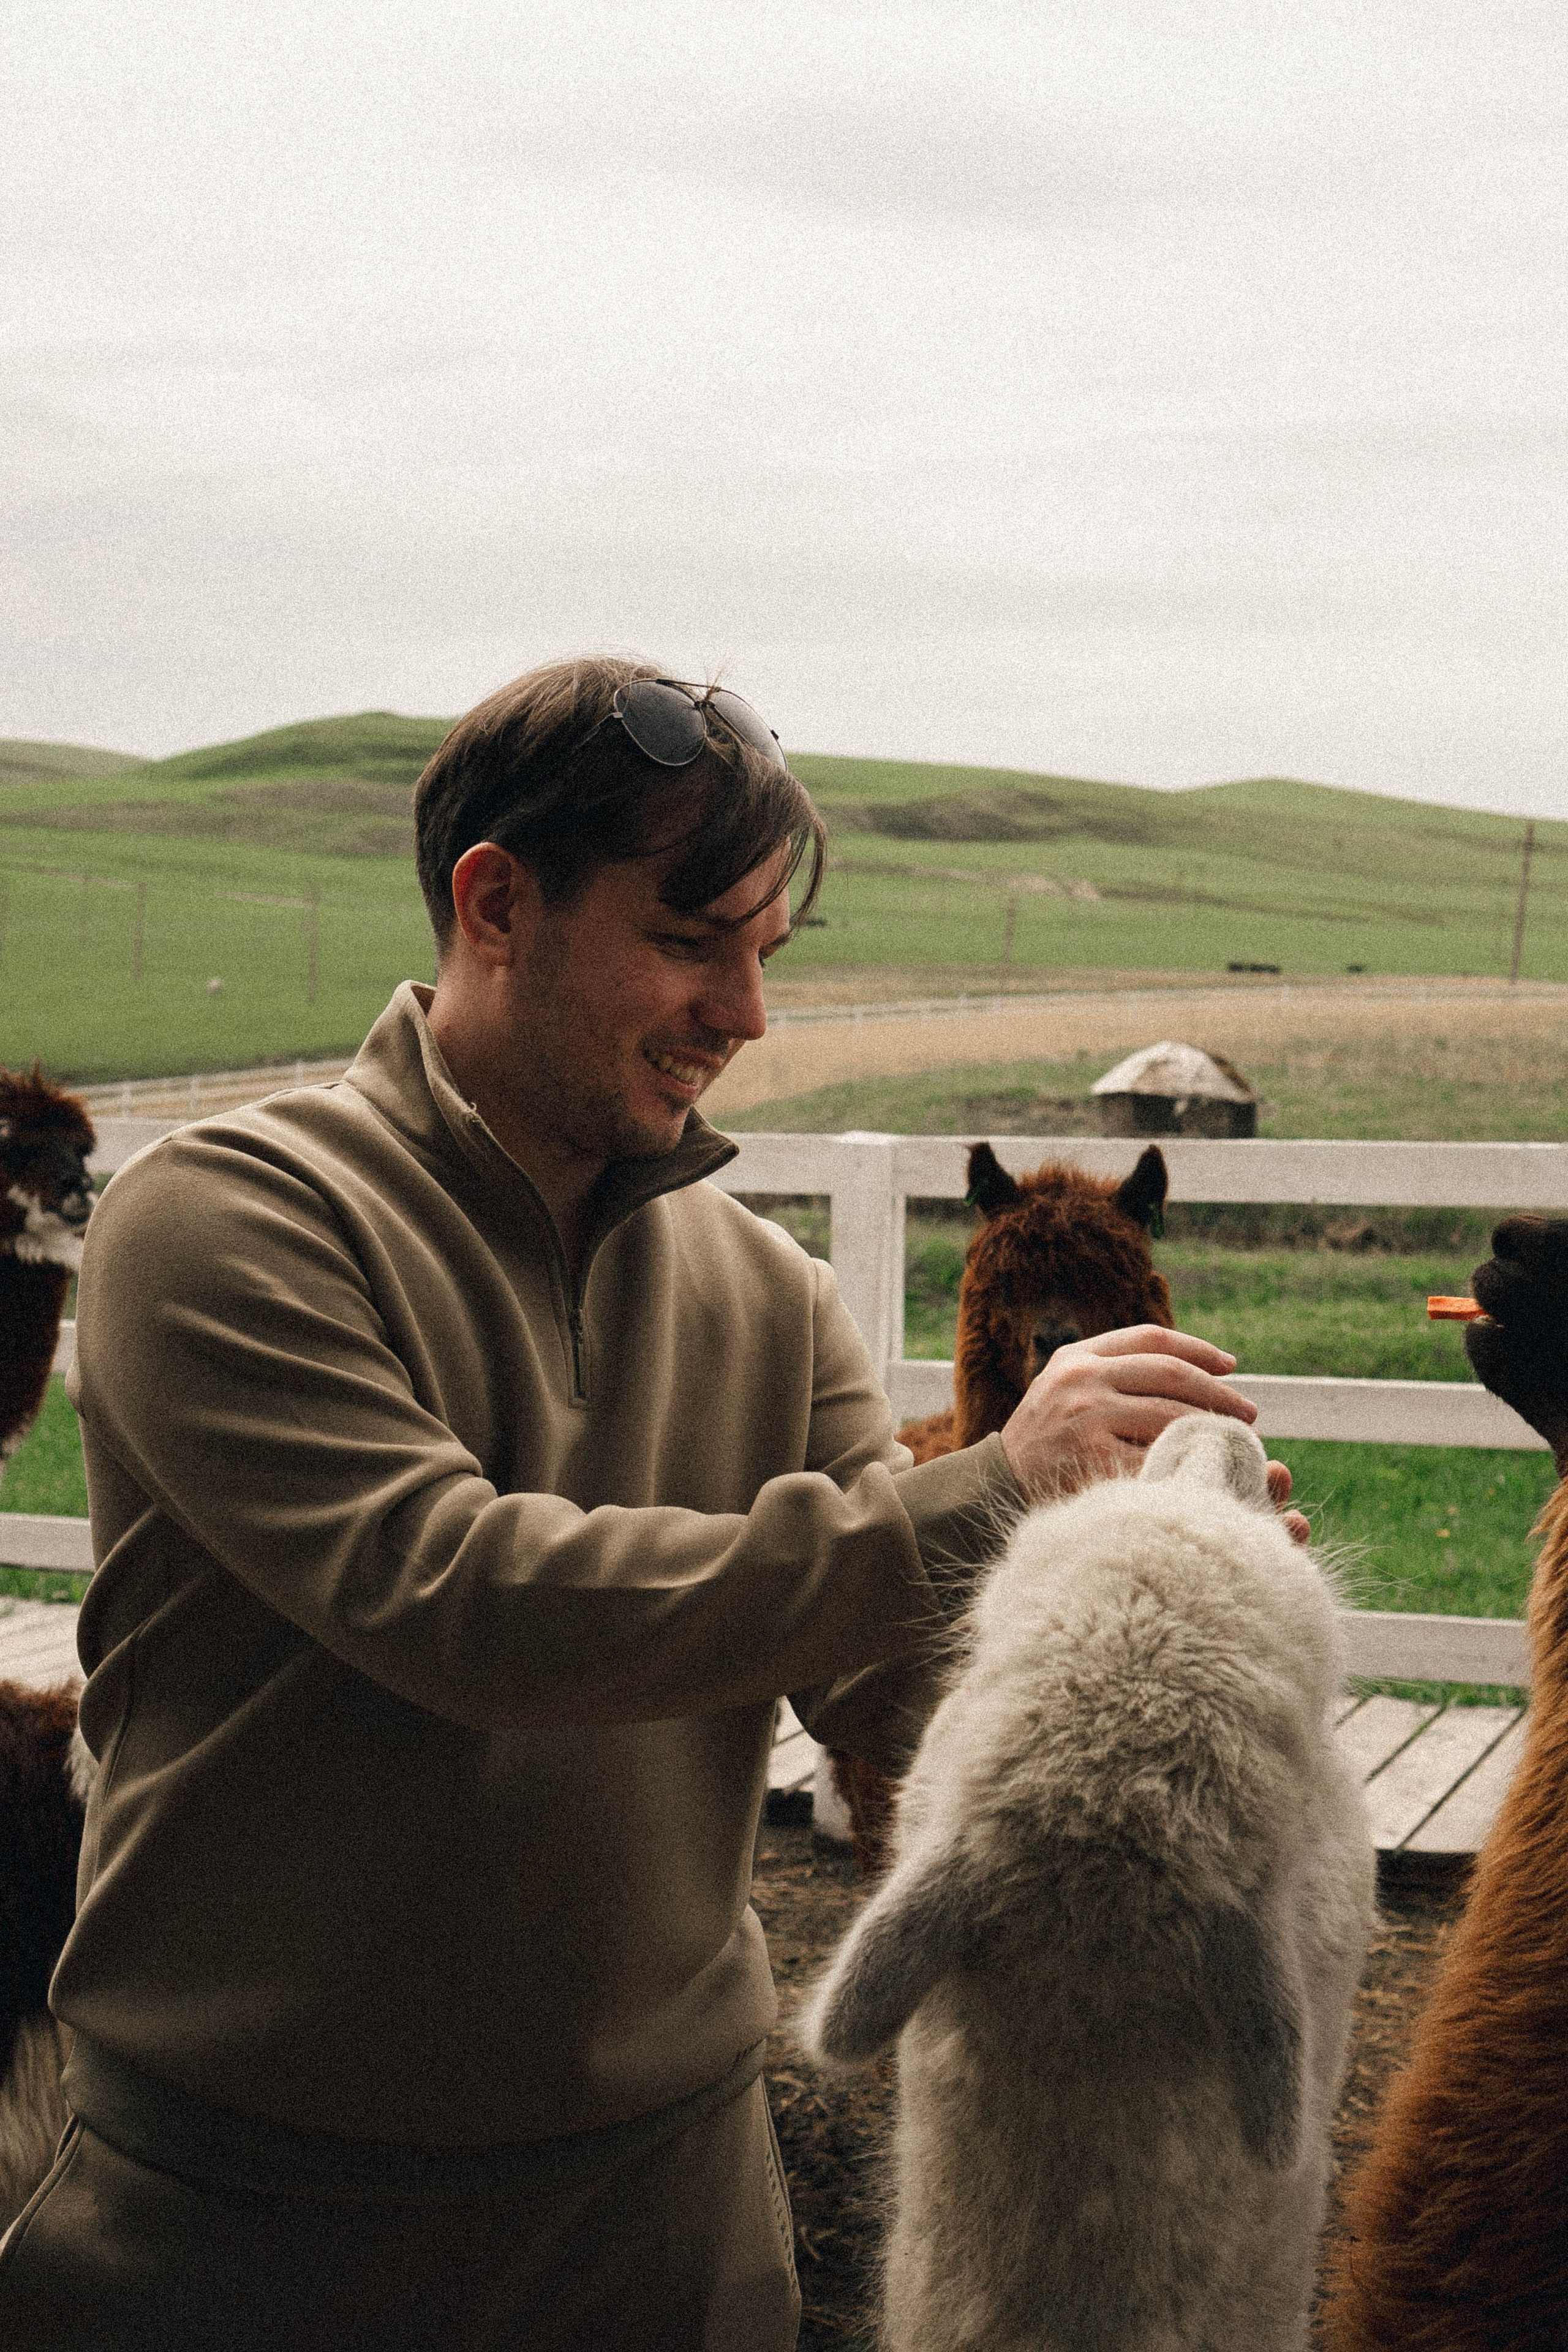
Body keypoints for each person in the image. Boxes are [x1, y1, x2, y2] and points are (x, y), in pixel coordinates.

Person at [0, 657, 1290, 2351]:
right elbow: (462, 1604)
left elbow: (895, 1681)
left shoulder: (767, 1291)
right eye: (693, 939)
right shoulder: (222, 1219)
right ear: (497, 902)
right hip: (246, 2231)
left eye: (765, 952)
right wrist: (987, 1486)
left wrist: (1140, 1598)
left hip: (668, 2230)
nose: (747, 1013)